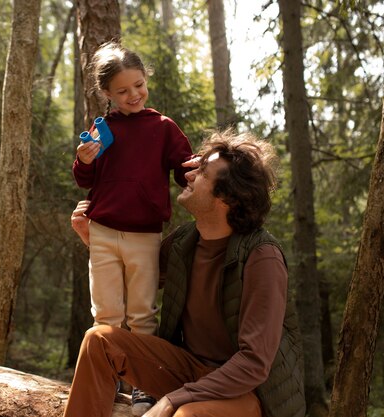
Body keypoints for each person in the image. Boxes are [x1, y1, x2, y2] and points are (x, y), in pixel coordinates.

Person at [66, 130, 305, 417]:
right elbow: (137, 279)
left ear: (226, 197)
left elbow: (254, 363)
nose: (188, 176)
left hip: (245, 391)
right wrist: (96, 242)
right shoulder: (184, 241)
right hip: (187, 369)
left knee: (186, 414)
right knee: (99, 341)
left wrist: (172, 400)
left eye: (202, 172)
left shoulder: (262, 256)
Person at [72, 41, 193, 415]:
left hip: (145, 233)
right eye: (122, 91)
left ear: (146, 80)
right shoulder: (101, 128)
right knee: (105, 314)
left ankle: (144, 388)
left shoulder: (162, 127)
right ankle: (105, 386)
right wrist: (83, 159)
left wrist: (200, 167)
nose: (133, 95)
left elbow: (183, 167)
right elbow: (85, 179)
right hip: (104, 231)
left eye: (138, 85)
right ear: (106, 93)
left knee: (142, 313)